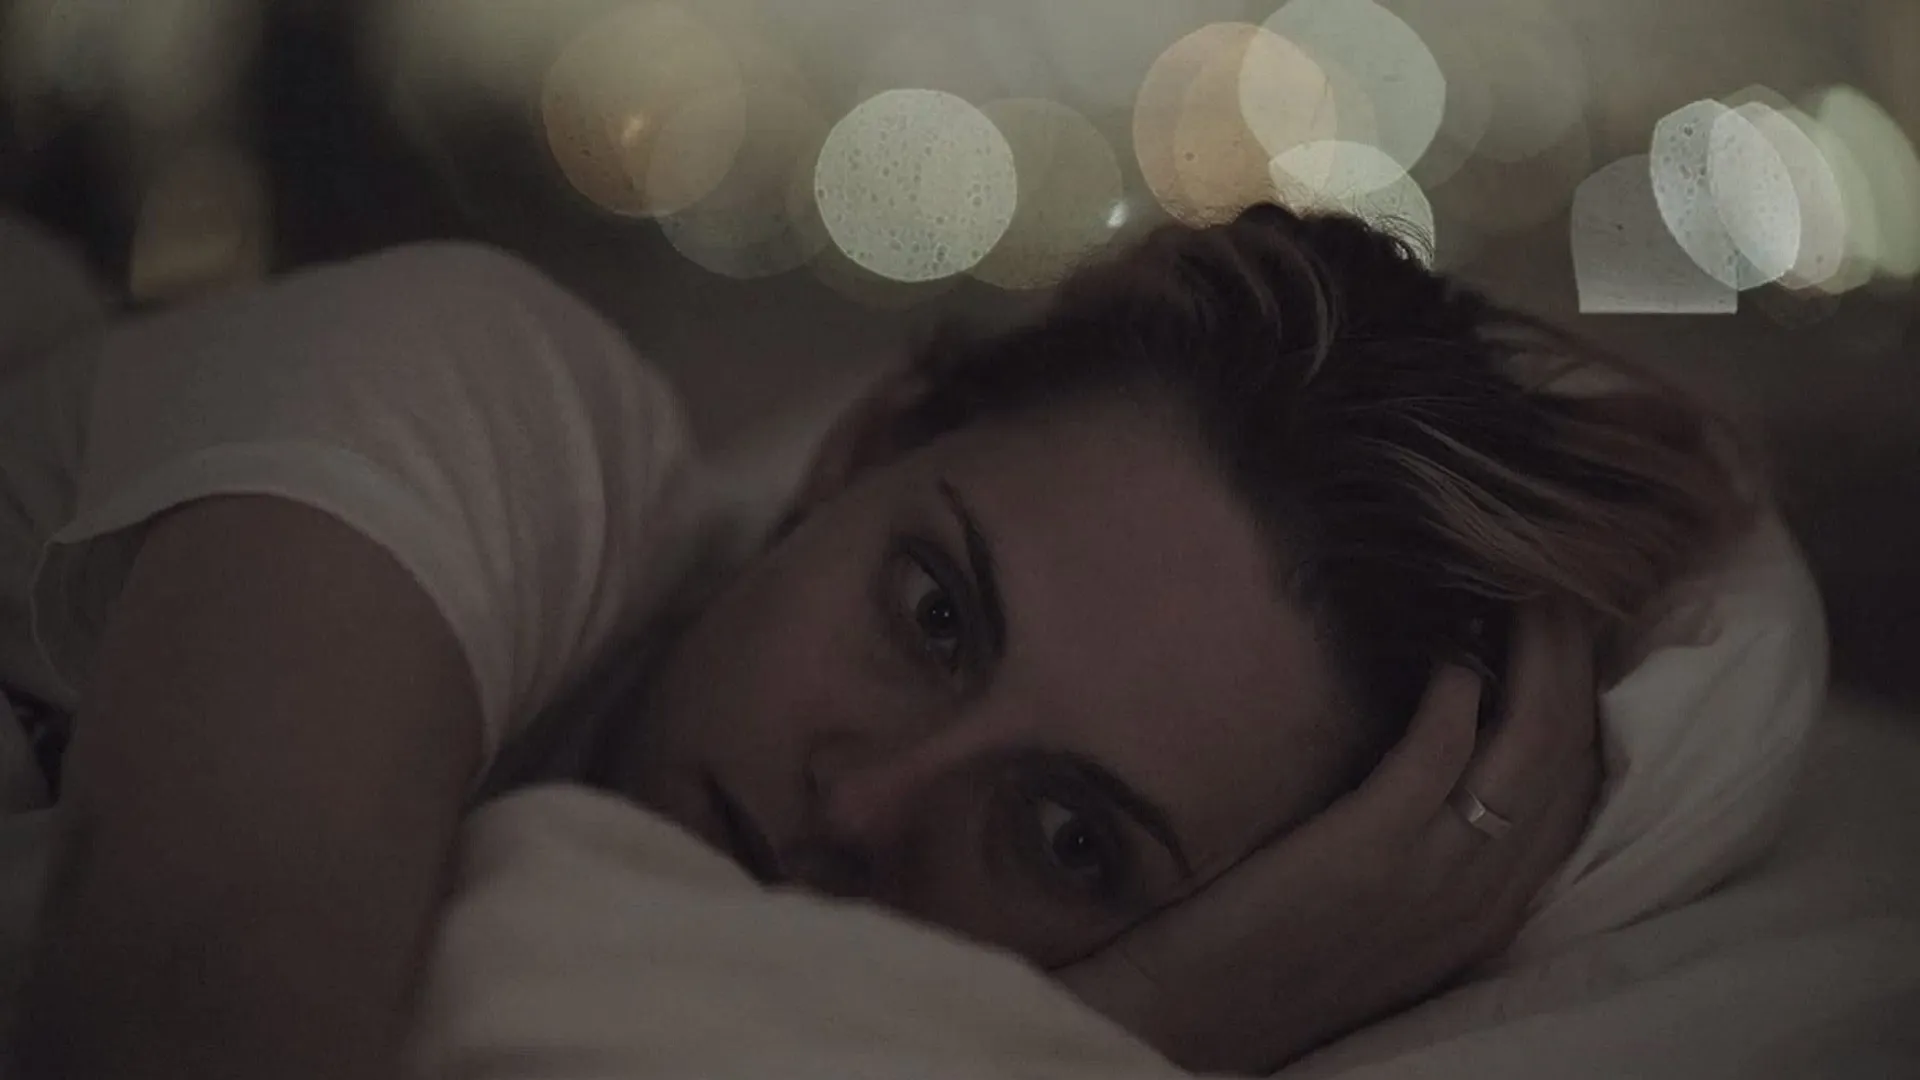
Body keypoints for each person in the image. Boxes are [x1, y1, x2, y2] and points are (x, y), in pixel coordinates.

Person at [0, 201, 1754, 1079]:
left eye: (1068, 839)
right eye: (934, 615)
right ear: (862, 447)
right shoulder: (479, 396)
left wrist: (1152, 1020)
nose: (864, 803)